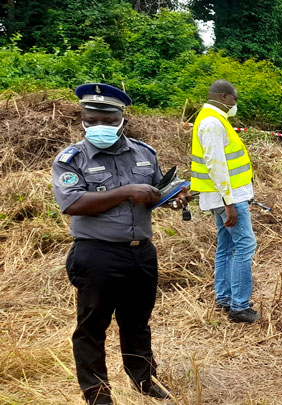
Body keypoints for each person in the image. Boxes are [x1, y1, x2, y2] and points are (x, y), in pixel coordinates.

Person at [52, 83, 189, 404]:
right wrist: (127, 191)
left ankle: (144, 380)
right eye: (92, 119)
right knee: (91, 328)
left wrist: (173, 198)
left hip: (141, 252)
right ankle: (98, 395)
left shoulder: (145, 153)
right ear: (83, 119)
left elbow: (153, 193)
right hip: (96, 254)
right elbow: (72, 203)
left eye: (107, 120)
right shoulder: (71, 159)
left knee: (137, 322)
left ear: (122, 119)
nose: (99, 126)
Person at [190, 80, 259, 323]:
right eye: (234, 99)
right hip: (228, 198)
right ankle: (239, 306)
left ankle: (225, 298)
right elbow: (215, 164)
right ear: (223, 96)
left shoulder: (213, 119)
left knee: (227, 246)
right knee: (245, 246)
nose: (235, 103)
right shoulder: (212, 122)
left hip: (222, 196)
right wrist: (229, 202)